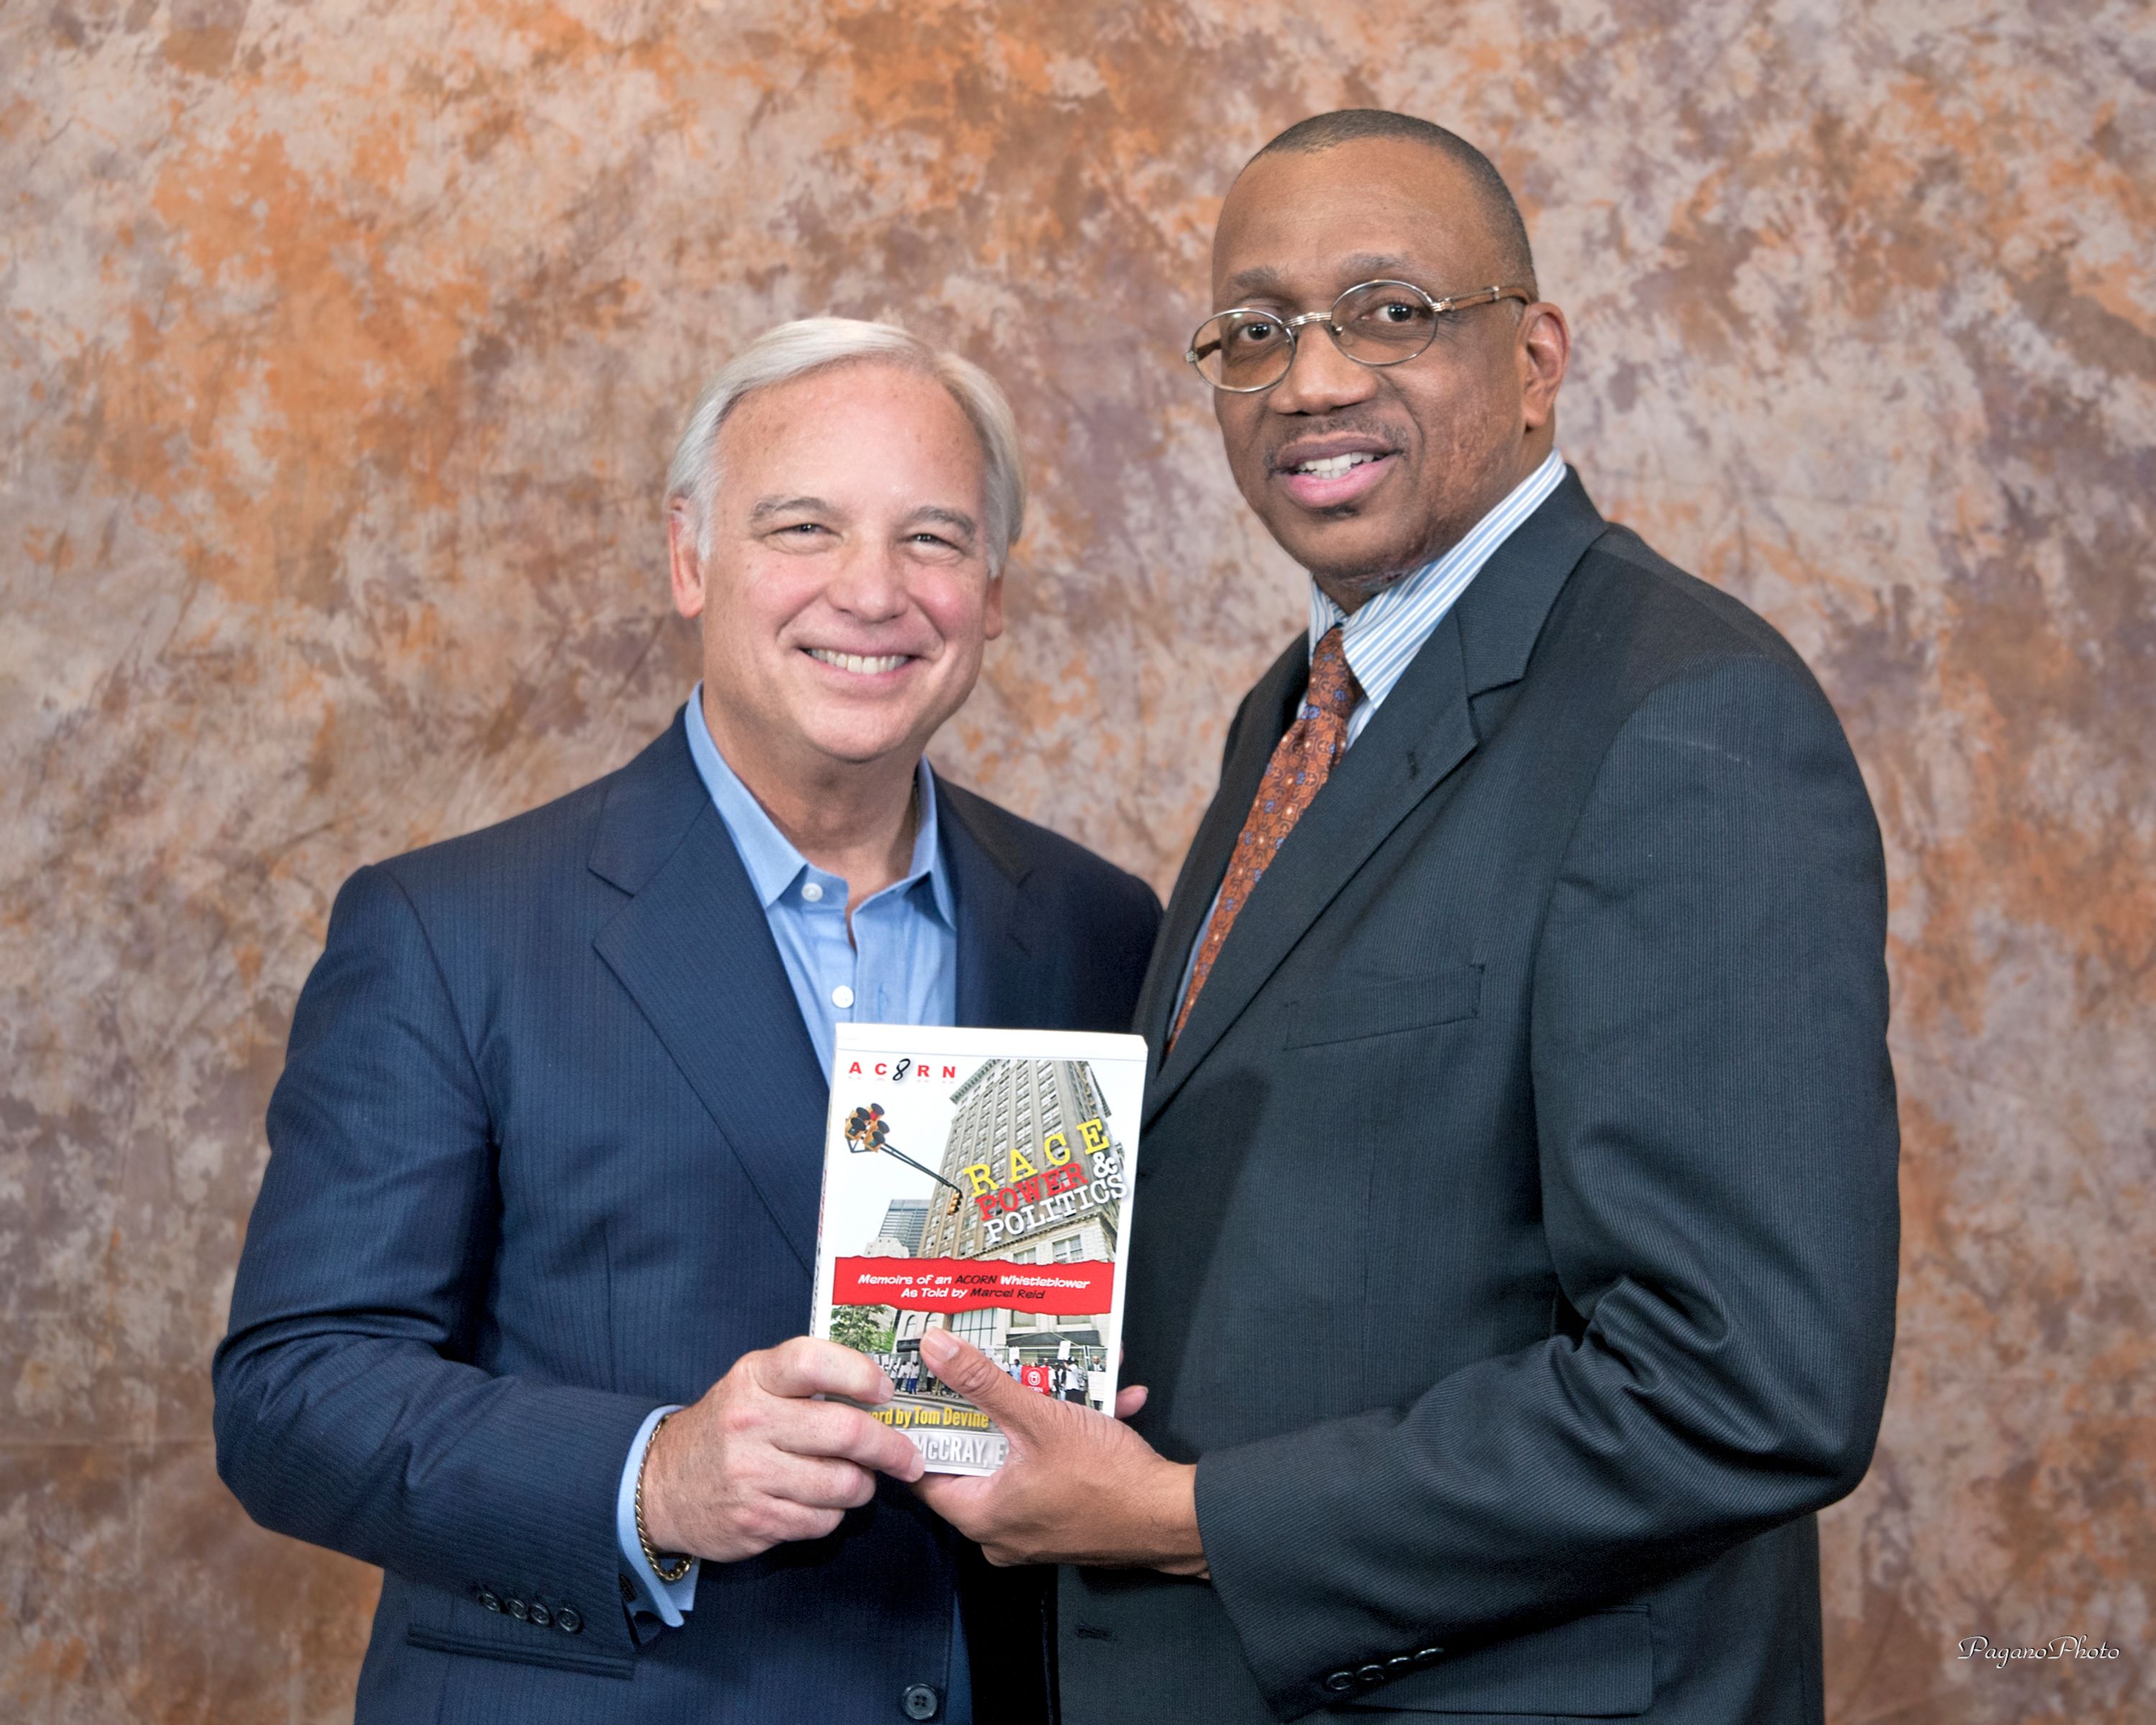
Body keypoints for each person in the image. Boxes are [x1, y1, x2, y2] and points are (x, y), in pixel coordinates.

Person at [915, 111, 1899, 1724]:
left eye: (1392, 313)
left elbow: (1748, 1385)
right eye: (1255, 330)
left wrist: (1180, 1519)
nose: (1309, 381)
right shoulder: (1301, 712)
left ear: (1537, 357)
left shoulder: (1689, 718)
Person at [213, 318, 1161, 1724]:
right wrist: (654, 1477)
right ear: (689, 557)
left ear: (995, 593)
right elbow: (291, 1398)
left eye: (934, 540)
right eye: (803, 527)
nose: (873, 592)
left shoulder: (1099, 927)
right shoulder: (451, 931)